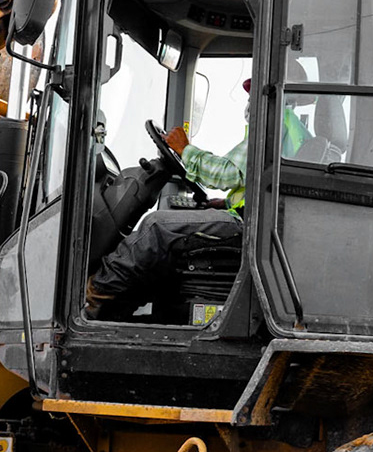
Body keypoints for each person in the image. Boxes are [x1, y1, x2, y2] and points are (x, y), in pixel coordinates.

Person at [85, 80, 310, 320]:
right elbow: (263, 182)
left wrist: (185, 150)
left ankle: (93, 298)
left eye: (254, 94)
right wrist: (225, 203)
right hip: (257, 223)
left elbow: (228, 173)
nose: (249, 102)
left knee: (156, 227)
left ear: (273, 94)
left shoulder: (274, 124)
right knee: (165, 242)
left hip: (249, 228)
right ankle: (115, 311)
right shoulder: (292, 128)